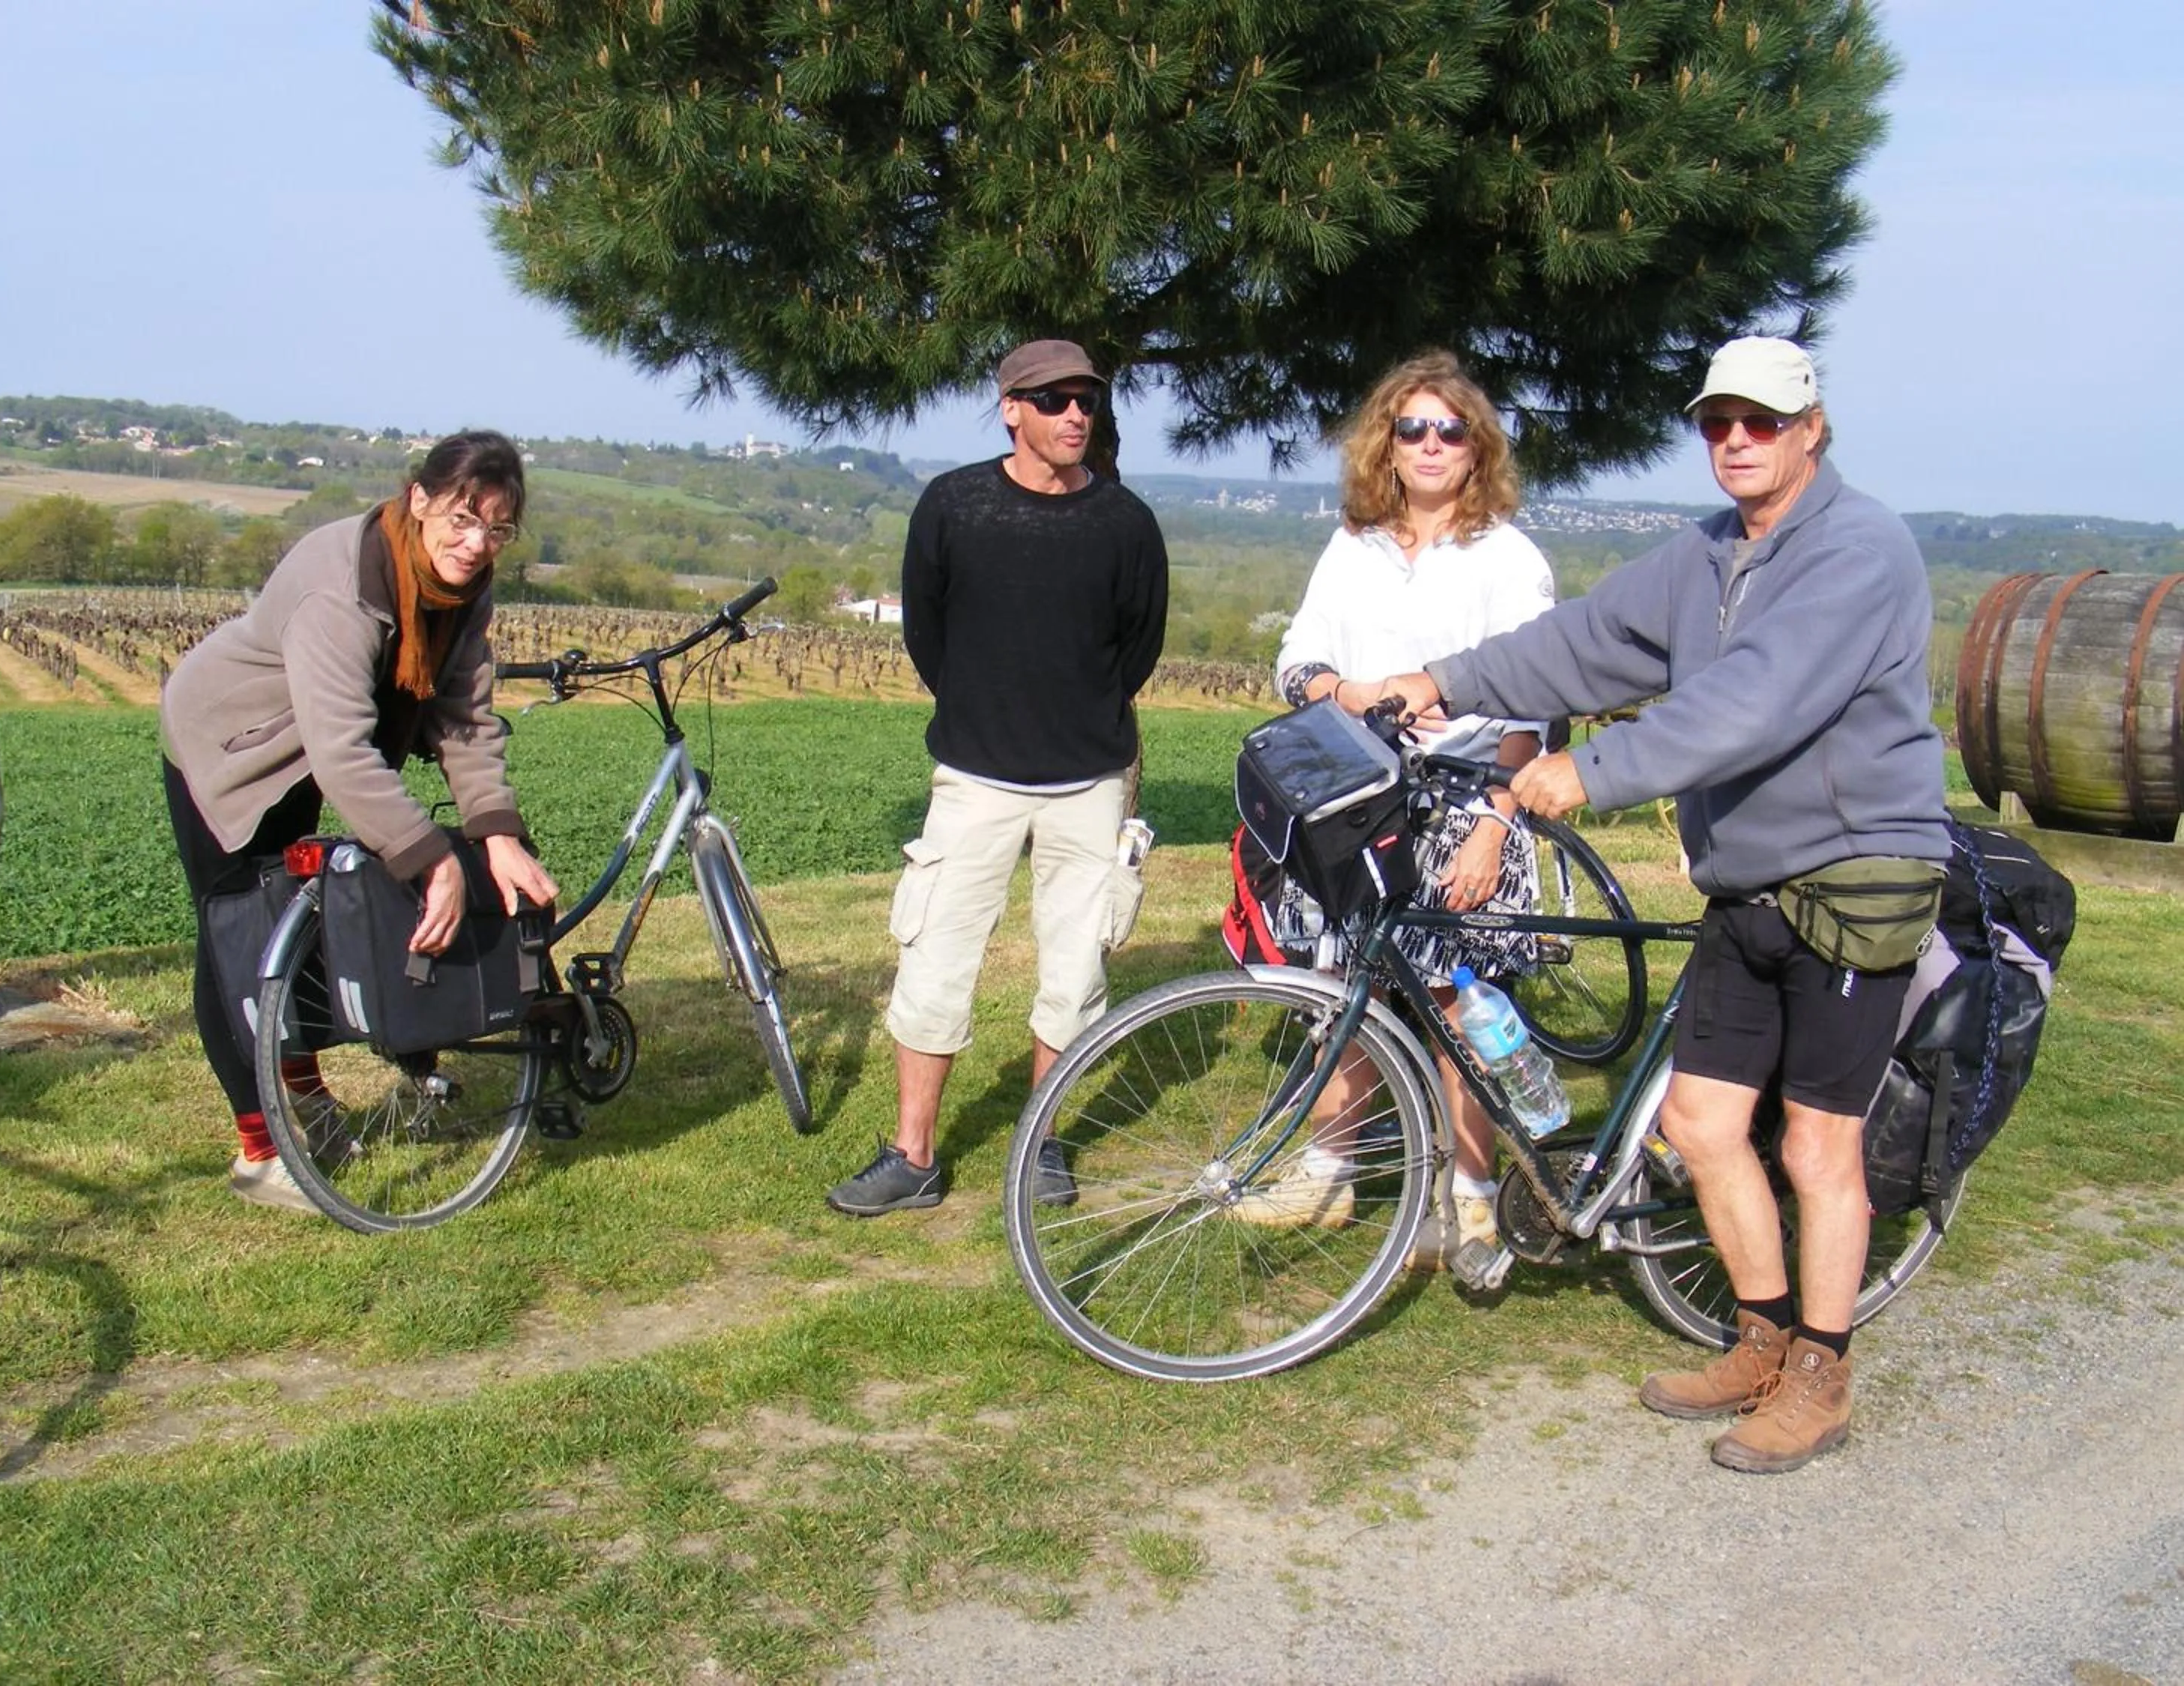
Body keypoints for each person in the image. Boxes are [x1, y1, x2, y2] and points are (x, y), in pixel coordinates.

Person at [1378, 336, 1949, 1472]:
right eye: (1717, 421)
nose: (1737, 440)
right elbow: (1582, 643)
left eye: (1763, 421)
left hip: (1857, 874)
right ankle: (1759, 1336)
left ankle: (1821, 1375)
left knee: (1822, 1148)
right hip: (1748, 874)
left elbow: (1758, 699)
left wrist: (1592, 772)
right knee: (1700, 1122)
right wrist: (1446, 679)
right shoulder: (1704, 556)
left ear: (1811, 428)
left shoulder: (1859, 550)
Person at [1222, 350, 1556, 1286]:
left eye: (1451, 429)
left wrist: (1496, 825)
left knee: (1461, 1005)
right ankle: (1331, 1170)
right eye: (1413, 428)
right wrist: (1340, 687)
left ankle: (1472, 1206)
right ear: (1388, 443)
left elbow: (1534, 714)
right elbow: (1295, 657)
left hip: (1464, 800)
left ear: (1477, 444)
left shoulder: (1507, 559)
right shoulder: (1354, 544)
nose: (1432, 444)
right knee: (1343, 990)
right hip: (1357, 797)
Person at [162, 430, 559, 1215]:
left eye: (497, 529)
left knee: (301, 926)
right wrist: (434, 861)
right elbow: (343, 752)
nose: (476, 544)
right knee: (237, 940)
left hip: (306, 759)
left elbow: (466, 721)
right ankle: (260, 1152)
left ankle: (305, 1095)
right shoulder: (340, 587)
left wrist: (496, 835)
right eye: (460, 519)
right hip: (231, 753)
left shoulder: (464, 592)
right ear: (419, 501)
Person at [828, 339, 1169, 1216]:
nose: (1075, 417)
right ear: (1010, 408)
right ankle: (913, 1157)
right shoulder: (954, 505)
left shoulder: (1126, 524)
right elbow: (927, 637)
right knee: (935, 957)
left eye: (1087, 401)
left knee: (1075, 972)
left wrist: (1075, 719)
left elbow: (1139, 648)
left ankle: (1042, 1143)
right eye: (1054, 401)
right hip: (974, 777)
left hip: (1089, 782)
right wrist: (987, 713)